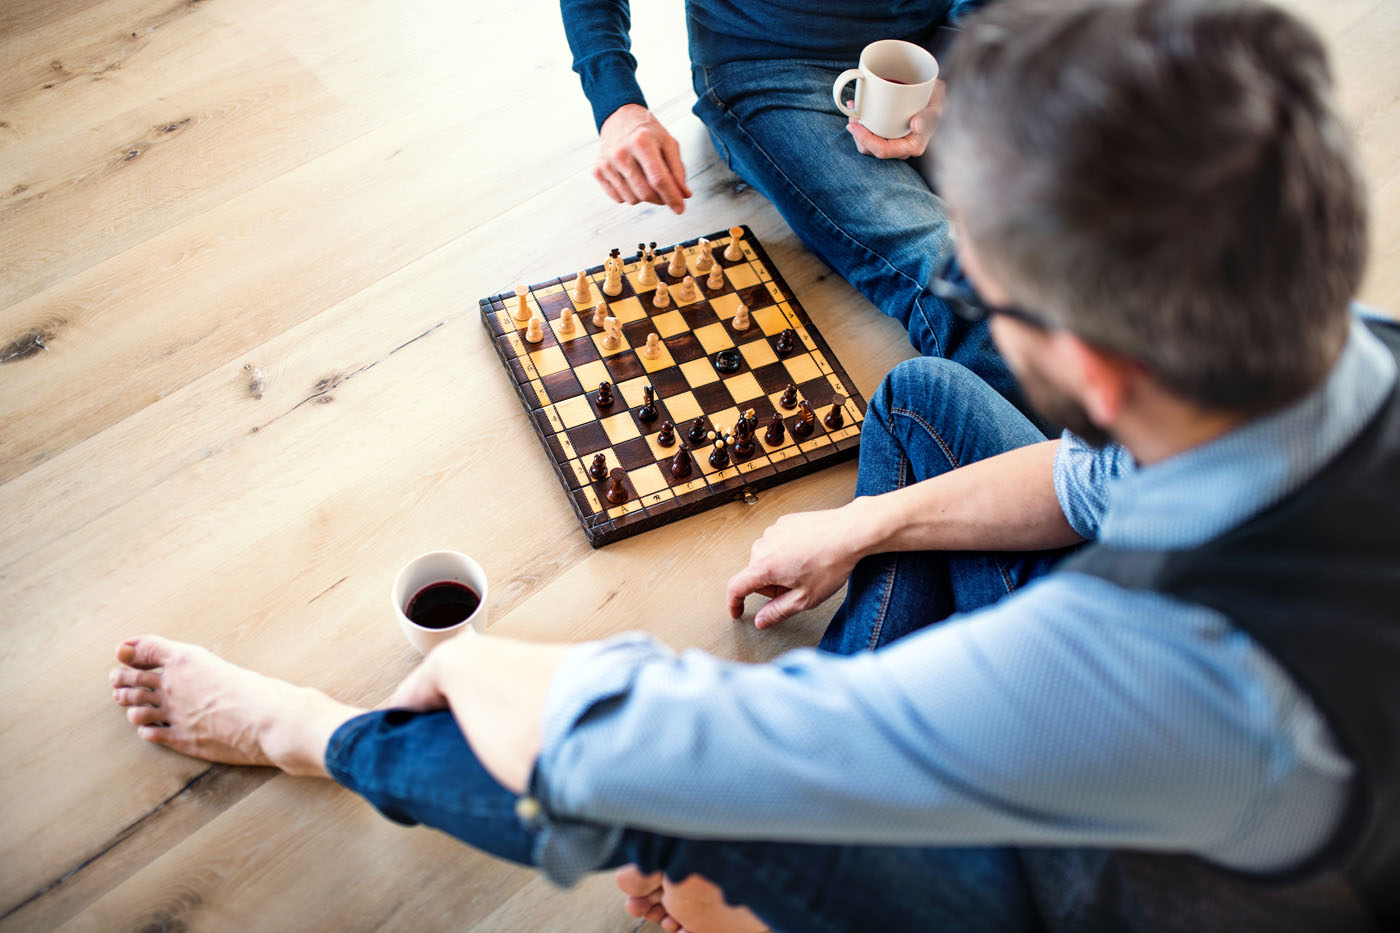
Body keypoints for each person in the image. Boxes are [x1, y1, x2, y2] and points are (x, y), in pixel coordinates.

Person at [111, 0, 1399, 929]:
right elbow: (1087, 481)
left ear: (1099, 369)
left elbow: (620, 745)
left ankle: (305, 735)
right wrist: (858, 531)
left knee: (681, 802)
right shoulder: (1335, 354)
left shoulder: (1125, 674)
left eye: (989, 295)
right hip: (1241, 741)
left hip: (1114, 880)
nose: (969, 294)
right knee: (922, 398)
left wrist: (476, 663)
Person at [560, 0, 1039, 420]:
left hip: (932, 44)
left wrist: (954, 72)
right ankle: (1069, 487)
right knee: (953, 271)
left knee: (1078, 220)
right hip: (771, 63)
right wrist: (618, 104)